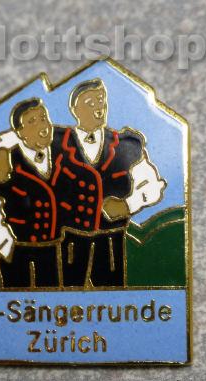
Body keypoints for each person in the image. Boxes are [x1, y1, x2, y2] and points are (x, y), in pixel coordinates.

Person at [51, 79, 166, 287]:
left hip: (111, 240)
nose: (98, 108)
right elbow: (19, 138)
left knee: (113, 294)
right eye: (90, 103)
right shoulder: (55, 141)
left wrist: (128, 205)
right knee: (67, 295)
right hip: (70, 239)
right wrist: (4, 151)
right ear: (75, 109)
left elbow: (154, 186)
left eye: (101, 101)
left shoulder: (126, 145)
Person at [0, 98, 62, 288]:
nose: (42, 125)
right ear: (20, 133)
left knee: (51, 301)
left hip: (52, 250)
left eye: (43, 118)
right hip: (18, 251)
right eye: (32, 122)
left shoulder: (62, 153)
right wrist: (7, 246)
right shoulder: (5, 163)